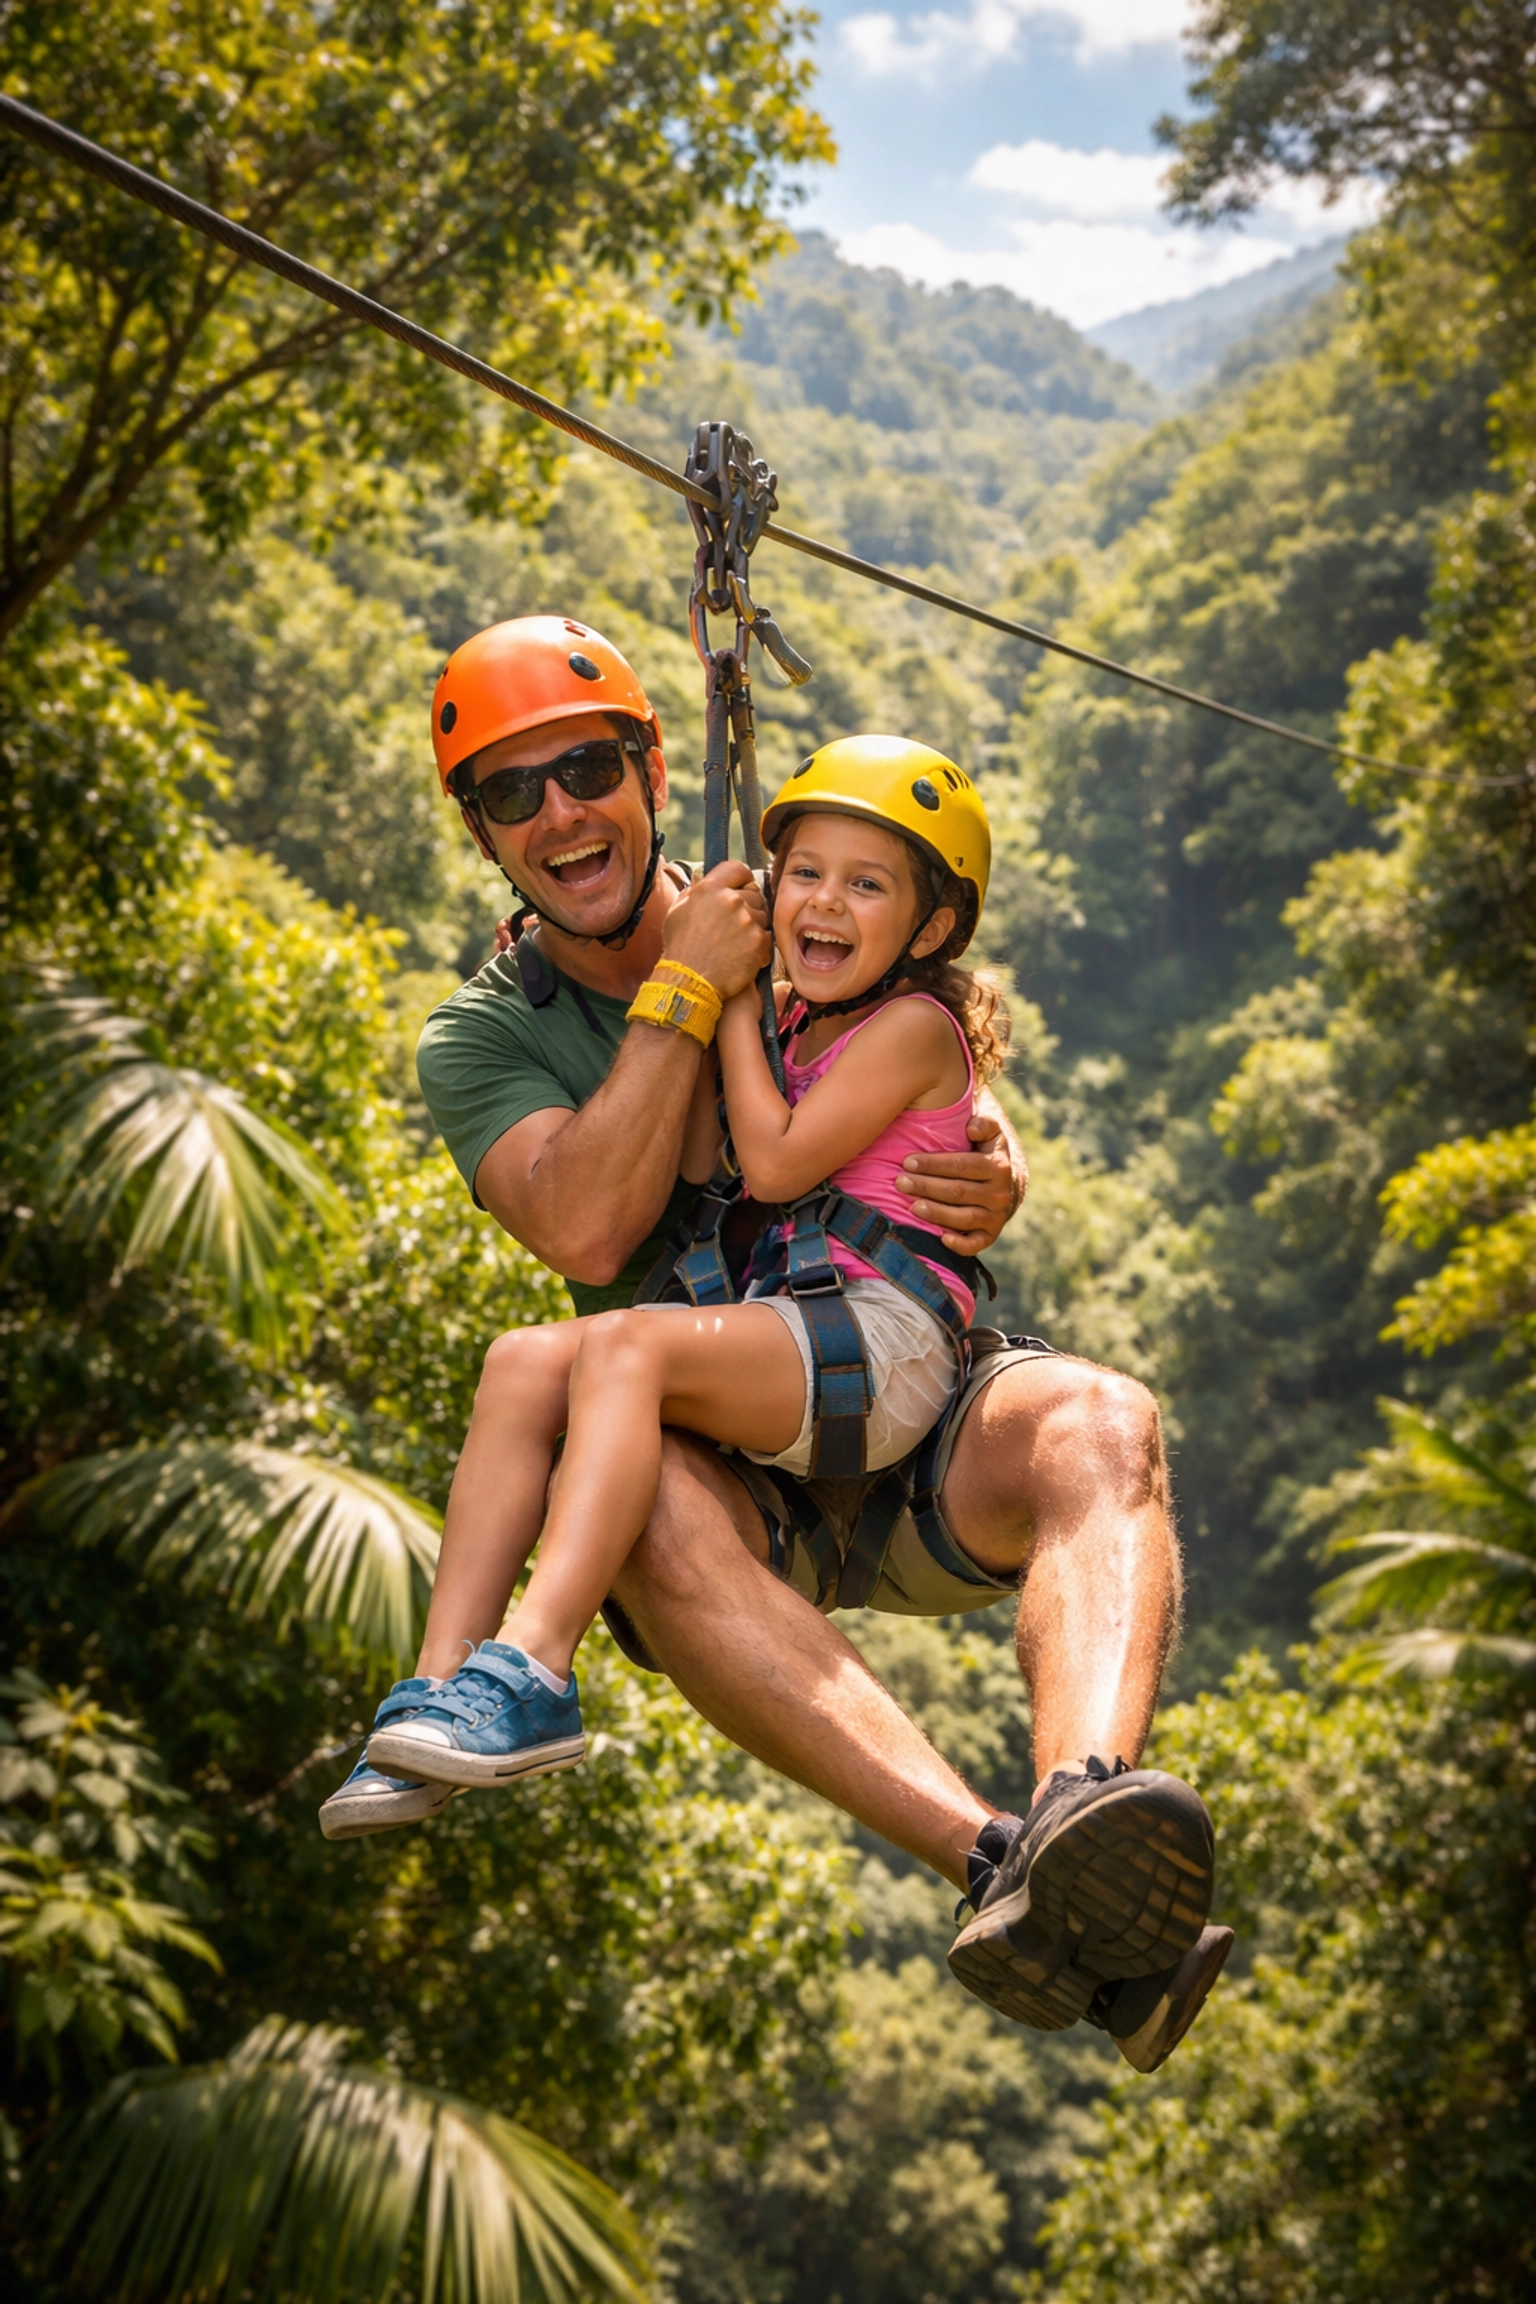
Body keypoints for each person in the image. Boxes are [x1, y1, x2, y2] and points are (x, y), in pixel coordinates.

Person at [319, 616, 1231, 2074]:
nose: (560, 812)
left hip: (880, 1372)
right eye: (513, 793)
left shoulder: (799, 918)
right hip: (716, 1454)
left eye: (588, 770)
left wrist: (987, 1146)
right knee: (636, 1493)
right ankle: (1005, 1872)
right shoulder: (483, 1038)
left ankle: (1085, 1809)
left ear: (650, 770)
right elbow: (588, 1232)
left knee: (1099, 1421)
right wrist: (690, 987)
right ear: (481, 833)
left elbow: (914, 1056)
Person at [359, 741, 1007, 1792]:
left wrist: (732, 1001)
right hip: (802, 1329)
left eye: (866, 886)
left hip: (877, 1342)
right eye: (805, 875)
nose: (824, 902)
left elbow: (775, 1161)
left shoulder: (909, 1028)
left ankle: (534, 1663)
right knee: (521, 1362)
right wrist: (700, 991)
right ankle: (437, 1693)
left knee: (624, 1348)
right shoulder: (796, 1019)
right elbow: (707, 1156)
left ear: (928, 930)